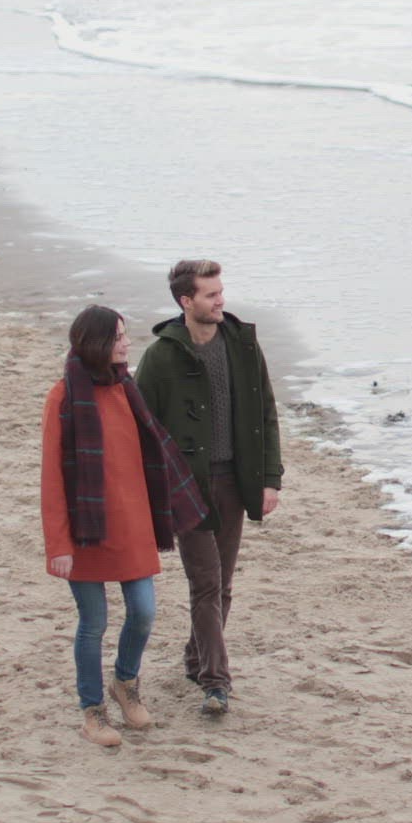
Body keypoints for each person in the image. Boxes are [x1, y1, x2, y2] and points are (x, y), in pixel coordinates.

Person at [41, 305, 209, 746]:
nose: (126, 342)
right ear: (97, 342)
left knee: (144, 611)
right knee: (93, 623)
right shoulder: (63, 398)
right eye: (118, 336)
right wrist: (59, 544)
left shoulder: (127, 390)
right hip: (85, 530)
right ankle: (93, 711)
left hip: (132, 524)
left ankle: (125, 683)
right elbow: (53, 477)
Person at [135, 259, 284, 716]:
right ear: (187, 301)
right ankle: (216, 683)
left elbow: (266, 414)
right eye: (211, 294)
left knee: (223, 585)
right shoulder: (161, 357)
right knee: (206, 582)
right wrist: (153, 491)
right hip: (187, 487)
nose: (221, 301)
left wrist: (270, 479)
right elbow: (141, 428)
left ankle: (195, 658)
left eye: (221, 292)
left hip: (235, 483)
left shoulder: (242, 345)